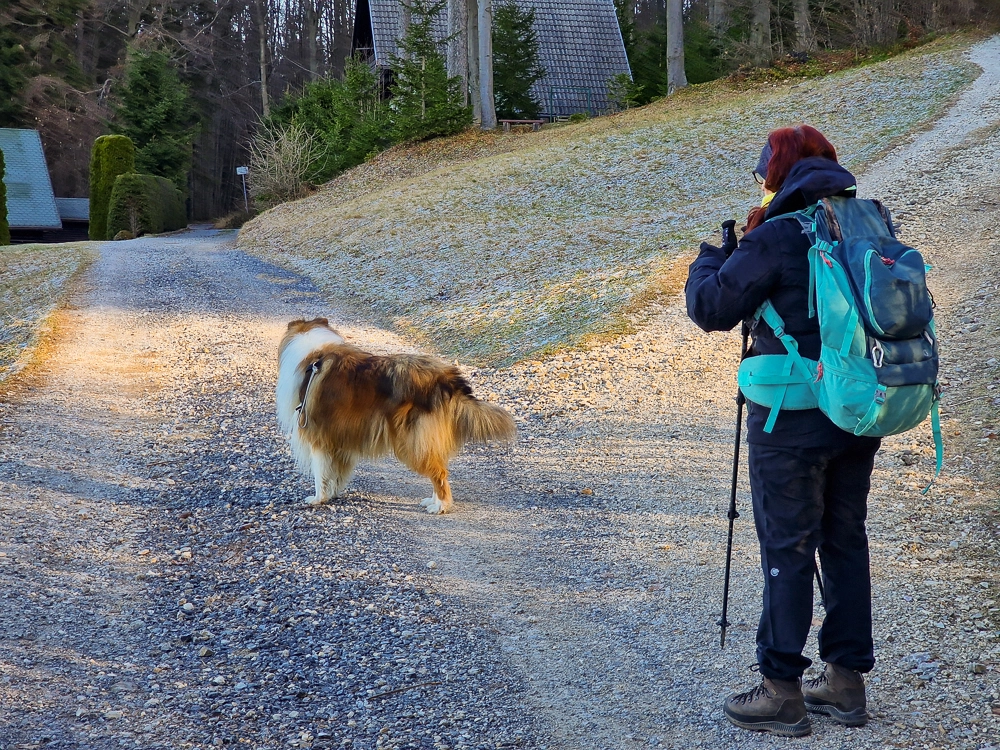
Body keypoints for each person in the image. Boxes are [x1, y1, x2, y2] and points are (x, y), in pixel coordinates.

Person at [685, 125, 881, 737]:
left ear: (782, 171)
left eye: (763, 168)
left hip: (789, 418)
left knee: (788, 547)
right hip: (858, 409)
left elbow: (712, 308)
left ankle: (780, 690)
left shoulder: (775, 235)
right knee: (844, 539)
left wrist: (710, 258)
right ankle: (846, 684)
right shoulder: (868, 222)